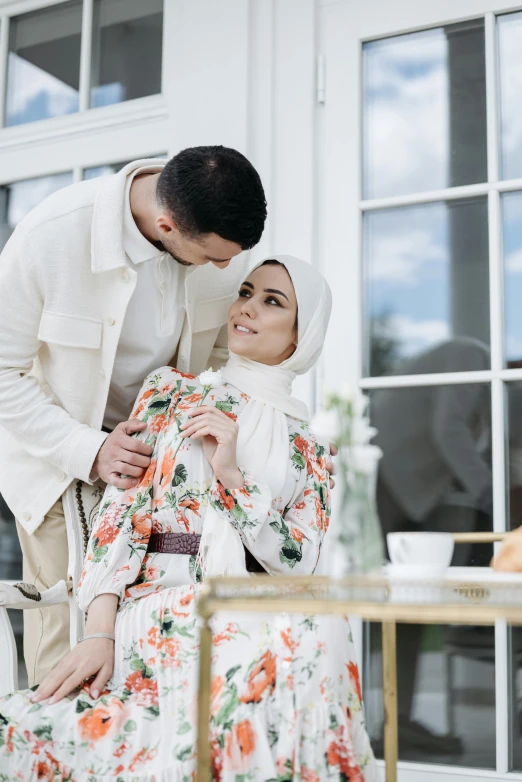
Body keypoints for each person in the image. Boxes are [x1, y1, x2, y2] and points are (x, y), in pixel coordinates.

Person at [0, 256, 377, 781]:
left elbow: (300, 561)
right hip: (163, 605)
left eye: (273, 302)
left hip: (256, 606)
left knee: (321, 632)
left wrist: (232, 475)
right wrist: (98, 632)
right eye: (246, 291)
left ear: (301, 335)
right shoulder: (173, 393)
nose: (247, 307)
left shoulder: (308, 449)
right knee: (296, 644)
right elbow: (121, 514)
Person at [0, 146, 267, 687]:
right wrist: (91, 450)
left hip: (161, 467)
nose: (227, 269)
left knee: (152, 644)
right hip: (57, 459)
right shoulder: (49, 236)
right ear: (166, 224)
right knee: (69, 645)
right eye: (214, 257)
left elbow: (220, 358)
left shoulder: (218, 235)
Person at [370, 337, 492, 756]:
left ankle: (396, 722)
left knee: (409, 604)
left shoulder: (477, 375)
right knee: (363, 597)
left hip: (410, 490)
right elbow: (448, 429)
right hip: (379, 479)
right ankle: (368, 720)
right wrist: (492, 494)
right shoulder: (472, 356)